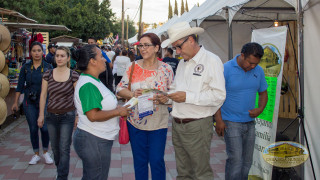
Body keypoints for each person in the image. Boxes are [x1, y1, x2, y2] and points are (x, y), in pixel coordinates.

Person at [159, 21, 226, 179]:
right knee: (183, 173)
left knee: (201, 173)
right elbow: (176, 89)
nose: (177, 52)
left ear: (191, 40)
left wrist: (187, 97)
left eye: (178, 47)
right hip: (178, 123)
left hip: (197, 125)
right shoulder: (183, 63)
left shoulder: (211, 60)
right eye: (175, 48)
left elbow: (219, 95)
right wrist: (167, 98)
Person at [117, 33, 174, 180]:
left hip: (158, 123)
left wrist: (164, 98)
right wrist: (132, 94)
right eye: (140, 45)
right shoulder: (133, 67)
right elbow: (120, 89)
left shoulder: (166, 69)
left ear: (156, 48)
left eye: (146, 45)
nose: (142, 48)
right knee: (140, 162)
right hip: (135, 122)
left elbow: (173, 96)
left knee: (156, 161)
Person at [72, 44, 130, 179]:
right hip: (93, 139)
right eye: (101, 56)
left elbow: (100, 103)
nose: (105, 59)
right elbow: (93, 115)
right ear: (92, 61)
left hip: (96, 139)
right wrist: (118, 112)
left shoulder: (93, 80)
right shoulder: (88, 85)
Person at [214, 42, 268, 180]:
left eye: (256, 63)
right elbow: (216, 96)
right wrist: (218, 120)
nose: (253, 66)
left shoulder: (259, 71)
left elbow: (263, 93)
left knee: (247, 161)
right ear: (242, 55)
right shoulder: (225, 69)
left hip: (250, 122)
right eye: (250, 63)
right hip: (230, 122)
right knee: (236, 159)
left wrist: (260, 109)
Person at [37, 46, 79, 180]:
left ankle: (62, 177)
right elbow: (43, 95)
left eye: (62, 56)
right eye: (57, 56)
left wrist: (78, 115)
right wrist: (41, 115)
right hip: (51, 115)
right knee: (55, 149)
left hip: (68, 115)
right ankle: (60, 170)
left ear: (68, 58)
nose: (59, 58)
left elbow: (77, 97)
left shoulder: (73, 75)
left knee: (64, 148)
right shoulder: (48, 74)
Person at [11, 41, 54, 165]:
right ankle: (36, 154)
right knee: (33, 128)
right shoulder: (25, 67)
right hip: (29, 102)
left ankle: (46, 152)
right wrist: (15, 103)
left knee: (45, 128)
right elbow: (19, 87)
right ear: (30, 52)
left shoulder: (48, 67)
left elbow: (52, 86)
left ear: (43, 52)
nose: (36, 53)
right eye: (34, 51)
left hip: (45, 101)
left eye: (39, 50)